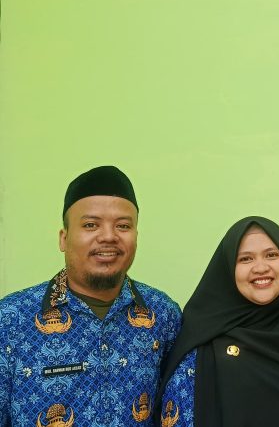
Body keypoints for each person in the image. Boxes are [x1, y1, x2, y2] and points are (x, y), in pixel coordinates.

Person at [0, 166, 182, 426]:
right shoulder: (11, 320)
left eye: (123, 226)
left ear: (136, 237)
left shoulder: (163, 315)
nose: (108, 236)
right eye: (90, 225)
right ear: (64, 238)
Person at [155, 216, 279, 427]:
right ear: (228, 268)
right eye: (246, 259)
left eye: (272, 255)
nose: (261, 267)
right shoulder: (201, 345)